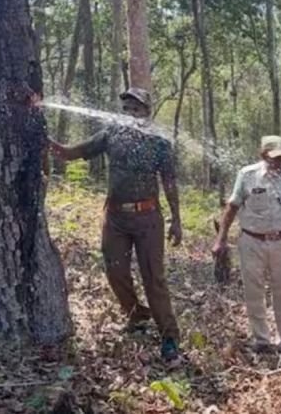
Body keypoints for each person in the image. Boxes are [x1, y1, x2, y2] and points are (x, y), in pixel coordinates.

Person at [49, 87, 183, 361]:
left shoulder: (159, 143)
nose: (131, 113)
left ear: (147, 112)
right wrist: (49, 143)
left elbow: (169, 183)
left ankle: (169, 336)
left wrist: (177, 220)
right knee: (115, 271)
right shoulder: (112, 134)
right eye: (127, 109)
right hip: (116, 218)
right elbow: (72, 153)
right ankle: (136, 316)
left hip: (148, 219)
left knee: (153, 278)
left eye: (136, 108)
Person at [211, 136, 281, 355]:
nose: (279, 162)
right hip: (252, 241)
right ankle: (262, 339)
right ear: (263, 155)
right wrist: (221, 239)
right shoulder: (247, 175)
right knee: (253, 290)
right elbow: (232, 207)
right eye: (274, 158)